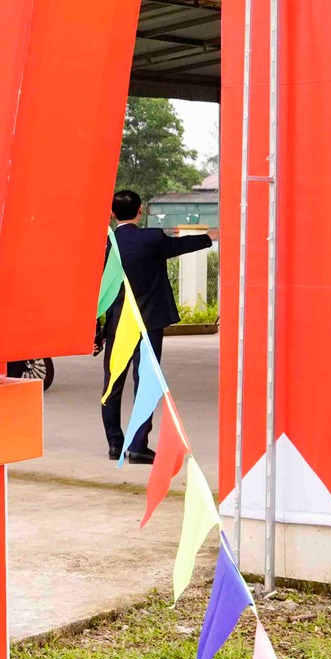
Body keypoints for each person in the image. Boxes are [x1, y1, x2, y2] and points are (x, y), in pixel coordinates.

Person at [99, 189, 213, 463]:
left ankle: (115, 444)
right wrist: (208, 237)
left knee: (113, 384)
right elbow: (181, 245)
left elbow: (98, 290)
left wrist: (96, 330)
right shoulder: (152, 239)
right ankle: (138, 445)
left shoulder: (107, 245)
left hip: (119, 323)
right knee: (146, 382)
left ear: (112, 214)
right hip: (148, 322)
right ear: (140, 211)